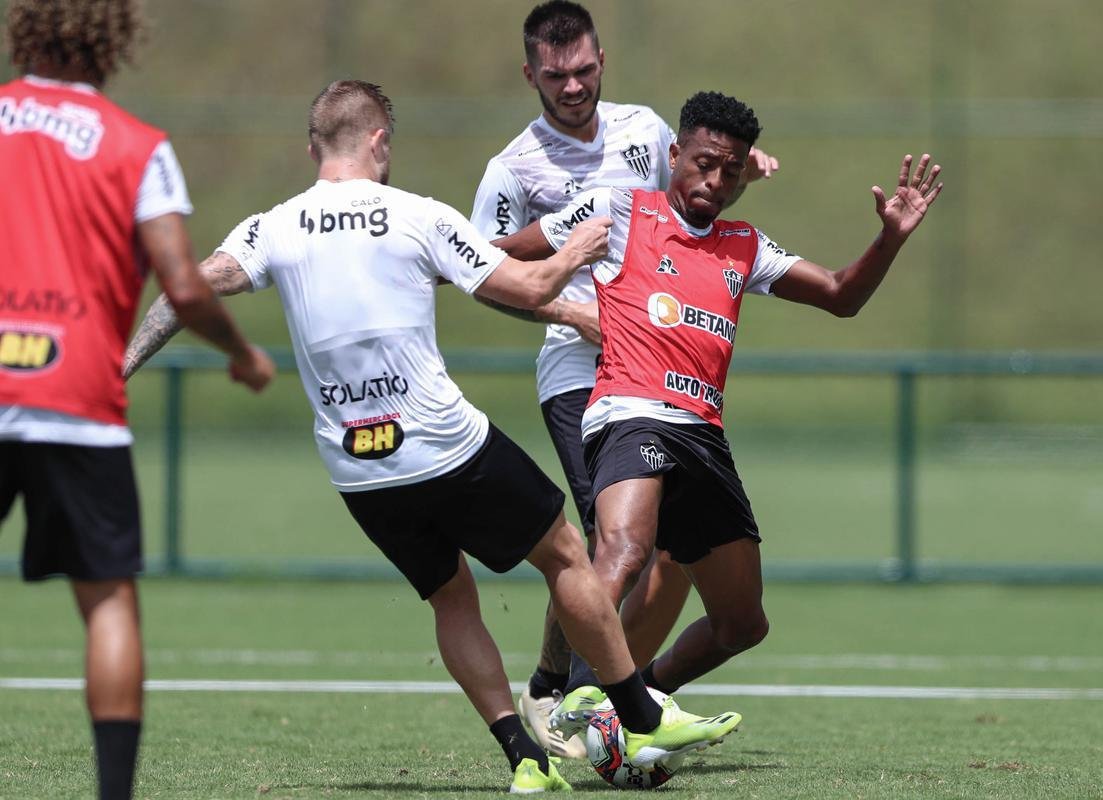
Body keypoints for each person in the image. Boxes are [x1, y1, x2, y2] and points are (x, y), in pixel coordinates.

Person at [122, 79, 741, 793]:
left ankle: (526, 762)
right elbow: (530, 288)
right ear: (381, 141)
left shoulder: (273, 226)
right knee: (568, 553)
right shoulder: (418, 216)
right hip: (446, 447)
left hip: (360, 471)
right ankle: (636, 711)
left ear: (313, 147)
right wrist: (575, 253)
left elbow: (182, 291)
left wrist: (121, 368)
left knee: (451, 597)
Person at [492, 90, 944, 736]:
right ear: (673, 154)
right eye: (704, 163)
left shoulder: (744, 245)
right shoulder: (620, 209)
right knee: (621, 548)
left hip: (701, 436)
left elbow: (842, 296)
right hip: (629, 412)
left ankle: (641, 695)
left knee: (742, 623)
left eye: (730, 172)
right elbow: (511, 251)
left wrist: (890, 239)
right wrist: (443, 255)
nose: (715, 181)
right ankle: (581, 696)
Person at [469, 1, 779, 758]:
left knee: (670, 553)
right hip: (583, 371)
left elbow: (692, 194)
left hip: (664, 370)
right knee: (615, 548)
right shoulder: (513, 169)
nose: (572, 86)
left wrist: (741, 166)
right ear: (529, 75)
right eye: (555, 75)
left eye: (582, 71)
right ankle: (563, 691)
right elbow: (483, 269)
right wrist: (575, 314)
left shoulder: (646, 130)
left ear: (601, 61)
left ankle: (608, 697)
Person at [0, 2, 276, 799]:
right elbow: (184, 286)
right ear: (115, 36)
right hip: (76, 397)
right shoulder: (136, 146)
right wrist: (242, 353)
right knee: (109, 603)